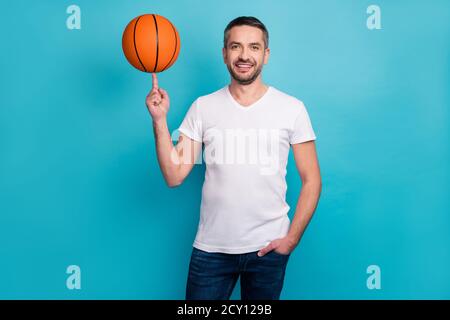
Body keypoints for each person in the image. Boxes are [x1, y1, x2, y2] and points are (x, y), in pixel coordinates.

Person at [146, 16, 322, 300]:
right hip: (211, 250)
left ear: (265, 55)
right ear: (224, 53)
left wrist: (291, 239)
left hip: (268, 249)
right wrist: (159, 120)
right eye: (235, 46)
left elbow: (312, 180)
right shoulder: (203, 107)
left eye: (253, 47)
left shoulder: (292, 108)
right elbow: (173, 175)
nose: (244, 55)